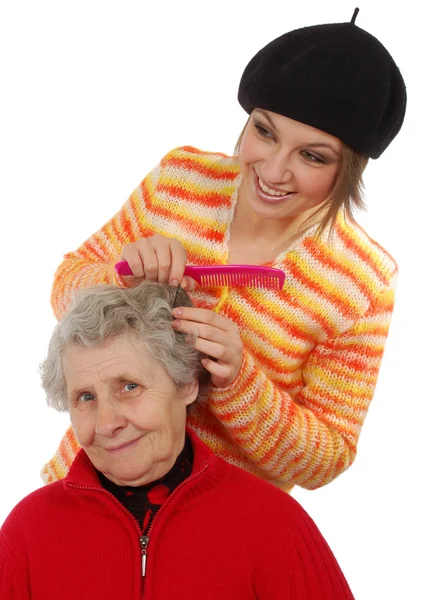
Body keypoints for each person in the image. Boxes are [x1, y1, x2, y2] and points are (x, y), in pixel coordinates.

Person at [41, 9, 406, 493]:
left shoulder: (363, 281)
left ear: (352, 168)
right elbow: (66, 283)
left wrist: (241, 380)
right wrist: (120, 278)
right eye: (265, 131)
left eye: (312, 156)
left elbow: (325, 461)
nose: (274, 171)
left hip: (219, 528)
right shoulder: (179, 181)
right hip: (87, 490)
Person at [0, 283, 355, 598]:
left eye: (129, 386)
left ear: (186, 383)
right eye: (86, 398)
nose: (107, 423)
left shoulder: (275, 525)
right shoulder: (28, 533)